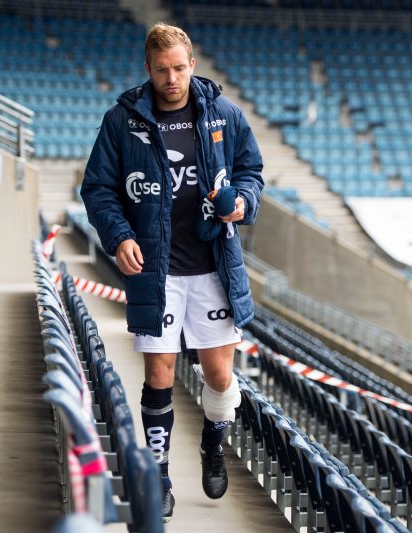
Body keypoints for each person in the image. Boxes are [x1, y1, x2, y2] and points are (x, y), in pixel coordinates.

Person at [80, 23, 264, 522]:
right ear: (148, 69)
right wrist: (119, 236)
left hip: (213, 265)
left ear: (192, 65)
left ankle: (213, 442)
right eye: (162, 70)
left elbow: (251, 172)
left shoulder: (223, 114)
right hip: (156, 269)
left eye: (179, 68)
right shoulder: (123, 121)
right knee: (158, 373)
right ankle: (158, 473)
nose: (171, 79)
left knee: (219, 376)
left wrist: (241, 203)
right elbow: (98, 189)